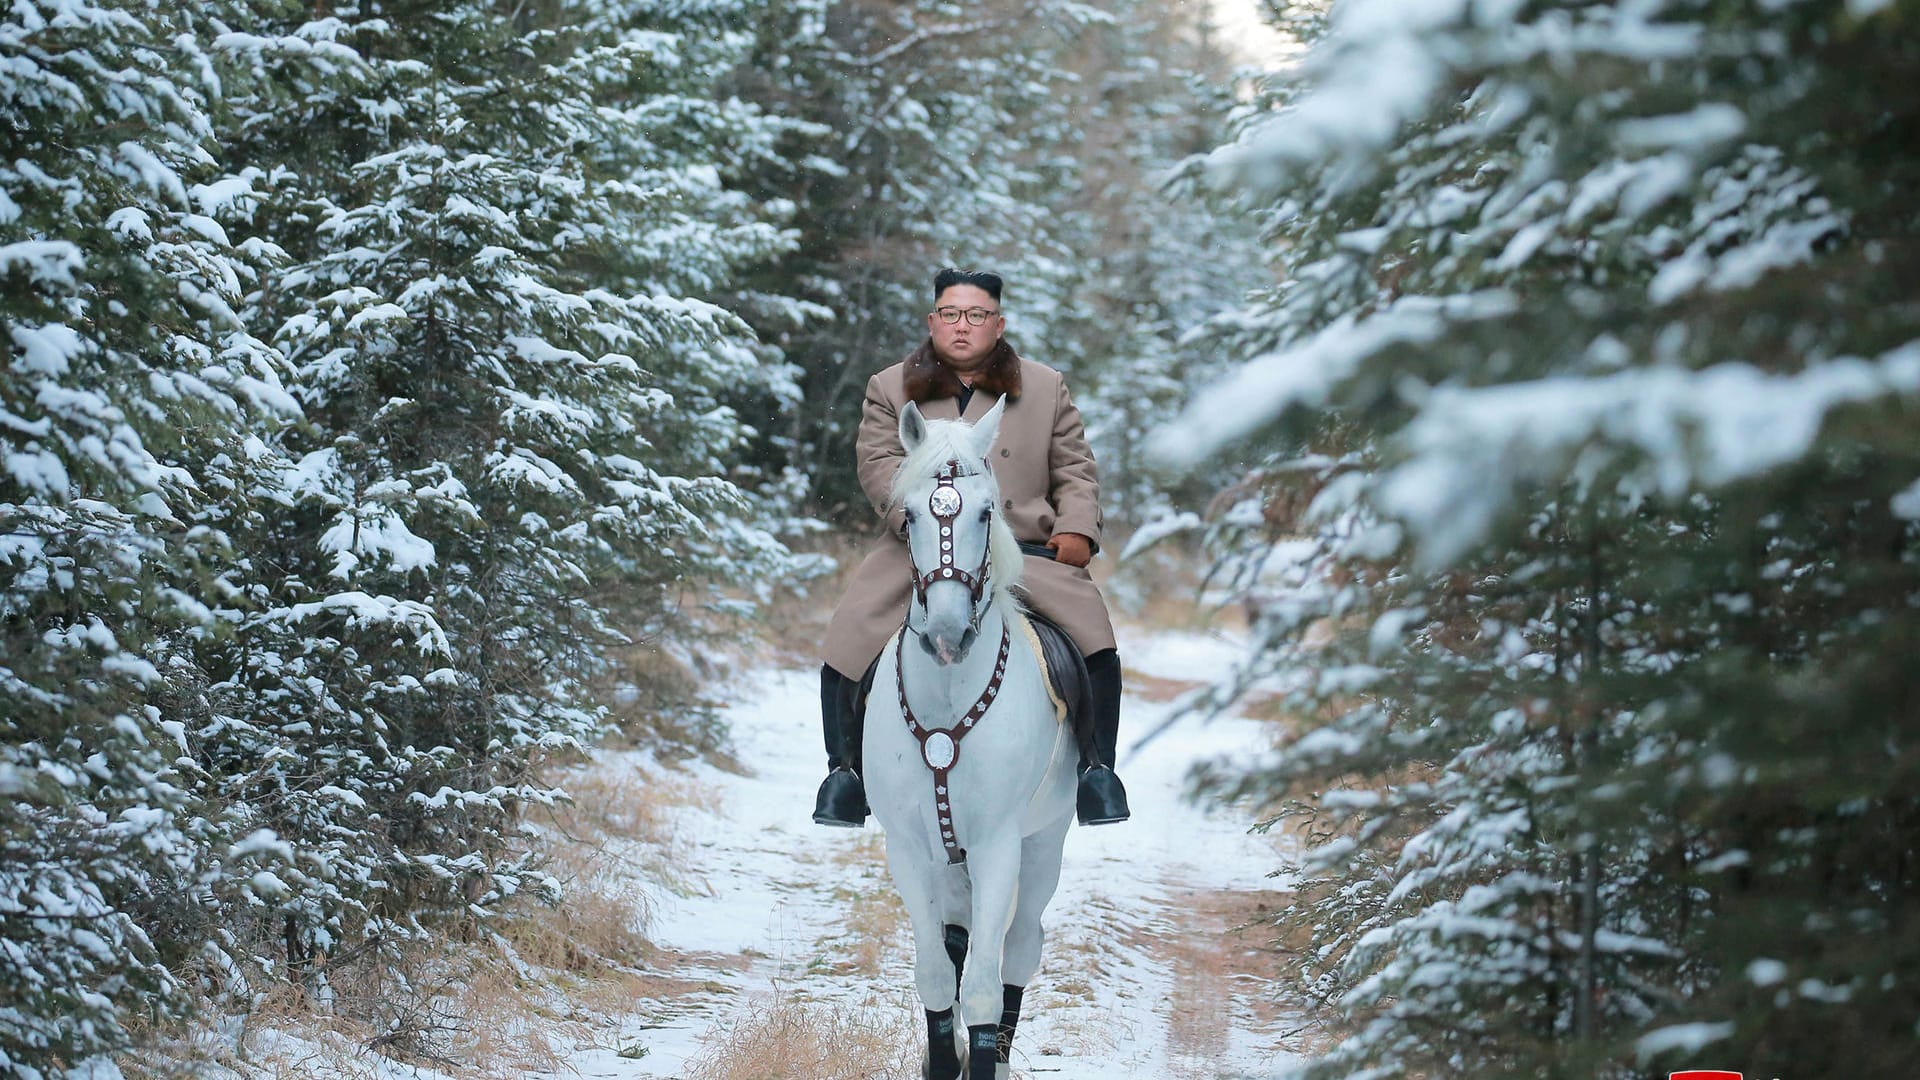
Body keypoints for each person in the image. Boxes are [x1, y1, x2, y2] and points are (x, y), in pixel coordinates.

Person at [812, 267, 1131, 828]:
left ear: (998, 323)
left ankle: (1096, 773)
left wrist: (1078, 527)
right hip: (921, 548)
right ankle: (846, 774)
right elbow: (878, 467)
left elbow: (1076, 470)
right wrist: (923, 517)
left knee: (1095, 647)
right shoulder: (889, 389)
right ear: (934, 321)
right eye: (952, 315)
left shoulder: (1045, 387)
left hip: (1028, 551)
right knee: (848, 640)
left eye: (977, 315)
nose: (963, 326)